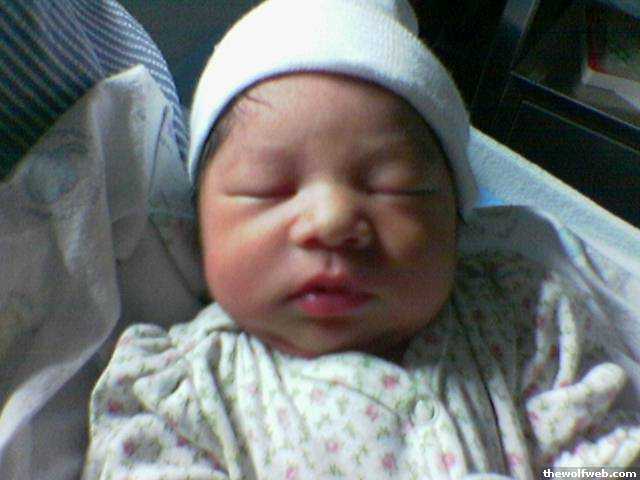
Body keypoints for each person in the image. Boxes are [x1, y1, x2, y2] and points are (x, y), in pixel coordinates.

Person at [82, 0, 640, 478]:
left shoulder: (523, 319)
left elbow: (610, 458)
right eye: (269, 190)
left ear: (457, 220)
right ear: (200, 228)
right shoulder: (181, 395)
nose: (331, 221)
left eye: (393, 186)